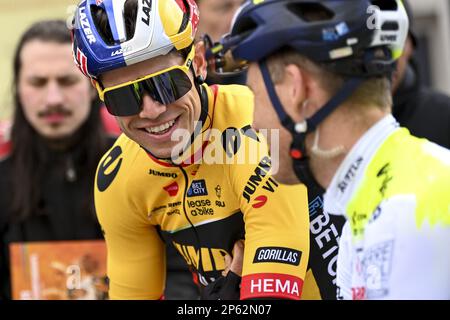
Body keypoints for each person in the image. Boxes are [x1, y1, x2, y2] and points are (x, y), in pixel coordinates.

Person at [72, 0, 310, 300]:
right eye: (123, 98)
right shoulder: (117, 179)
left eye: (166, 84)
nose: (152, 110)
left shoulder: (258, 124)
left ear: (198, 62)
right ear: (100, 96)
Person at [219, 0, 450, 299]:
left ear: (296, 88)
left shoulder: (404, 213)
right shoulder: (365, 200)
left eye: (254, 95)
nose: (252, 122)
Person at [0, 20, 115, 299]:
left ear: (92, 86)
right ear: (18, 88)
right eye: (37, 83)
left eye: (67, 81)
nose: (53, 99)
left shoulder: (138, 165)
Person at [392, 0, 450, 149]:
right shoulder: (333, 121)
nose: (382, 56)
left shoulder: (444, 116)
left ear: (410, 45)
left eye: (393, 40)